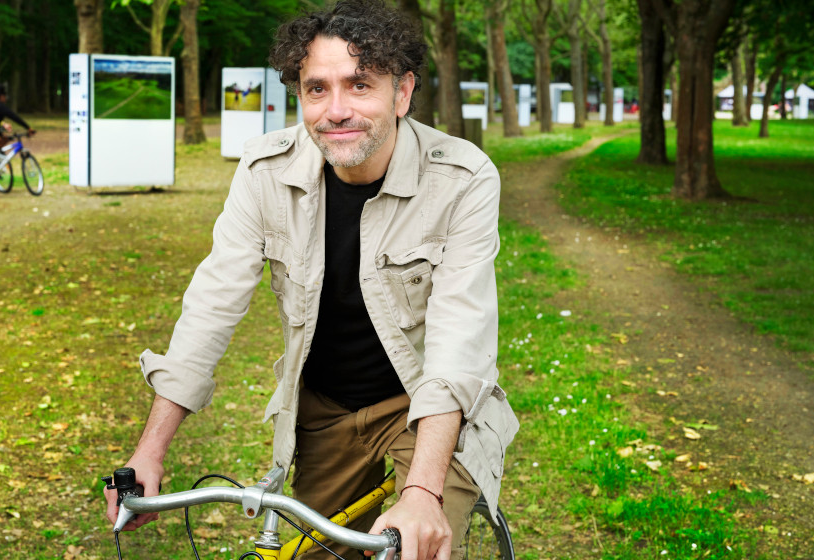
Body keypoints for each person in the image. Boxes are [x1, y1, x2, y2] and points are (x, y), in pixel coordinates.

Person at [104, 2, 518, 559]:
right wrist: (149, 451)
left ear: (402, 93)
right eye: (316, 89)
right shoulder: (264, 173)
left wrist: (421, 491)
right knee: (317, 554)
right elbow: (212, 303)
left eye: (360, 85)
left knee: (420, 543)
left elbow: (458, 345)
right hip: (326, 411)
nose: (336, 110)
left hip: (427, 406)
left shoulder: (462, 179)